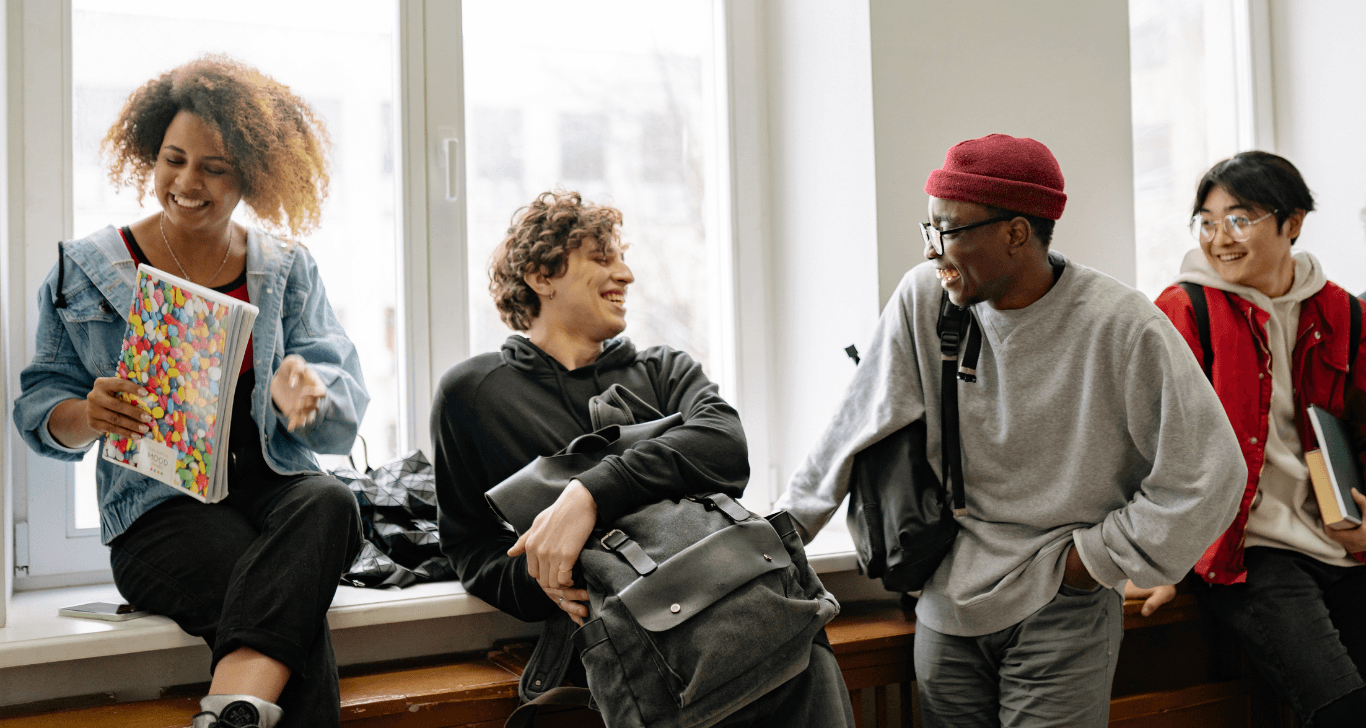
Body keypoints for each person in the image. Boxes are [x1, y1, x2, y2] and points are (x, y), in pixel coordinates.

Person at [777, 134, 1245, 727]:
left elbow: (1211, 471)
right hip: (946, 604)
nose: (931, 251)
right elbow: (853, 427)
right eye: (929, 230)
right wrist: (773, 546)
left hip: (1063, 604)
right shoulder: (927, 299)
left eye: (947, 232)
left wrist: (1096, 558)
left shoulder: (1120, 325)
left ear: (1016, 234)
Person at [12, 56, 367, 728]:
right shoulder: (84, 274)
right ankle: (236, 708)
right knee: (281, 606)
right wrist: (88, 414)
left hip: (277, 496)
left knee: (330, 498)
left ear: (252, 177)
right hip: (160, 515)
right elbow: (38, 408)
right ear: (151, 152)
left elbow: (338, 406)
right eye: (173, 159)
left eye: (214, 167)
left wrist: (311, 394)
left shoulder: (288, 270)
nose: (186, 182)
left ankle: (231, 711)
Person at [432, 190, 855, 726]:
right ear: (541, 275)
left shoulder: (663, 371)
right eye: (603, 258)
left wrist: (588, 494)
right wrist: (550, 579)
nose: (626, 274)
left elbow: (725, 445)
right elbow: (470, 546)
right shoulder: (472, 394)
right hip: (635, 665)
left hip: (766, 627)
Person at [1145, 151, 1366, 727]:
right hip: (1248, 550)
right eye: (1209, 221)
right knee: (1341, 708)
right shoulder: (1184, 308)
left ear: (1292, 223)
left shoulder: (1344, 312)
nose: (1221, 238)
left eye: (1239, 219)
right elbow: (1146, 446)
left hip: (1341, 539)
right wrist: (1160, 562)